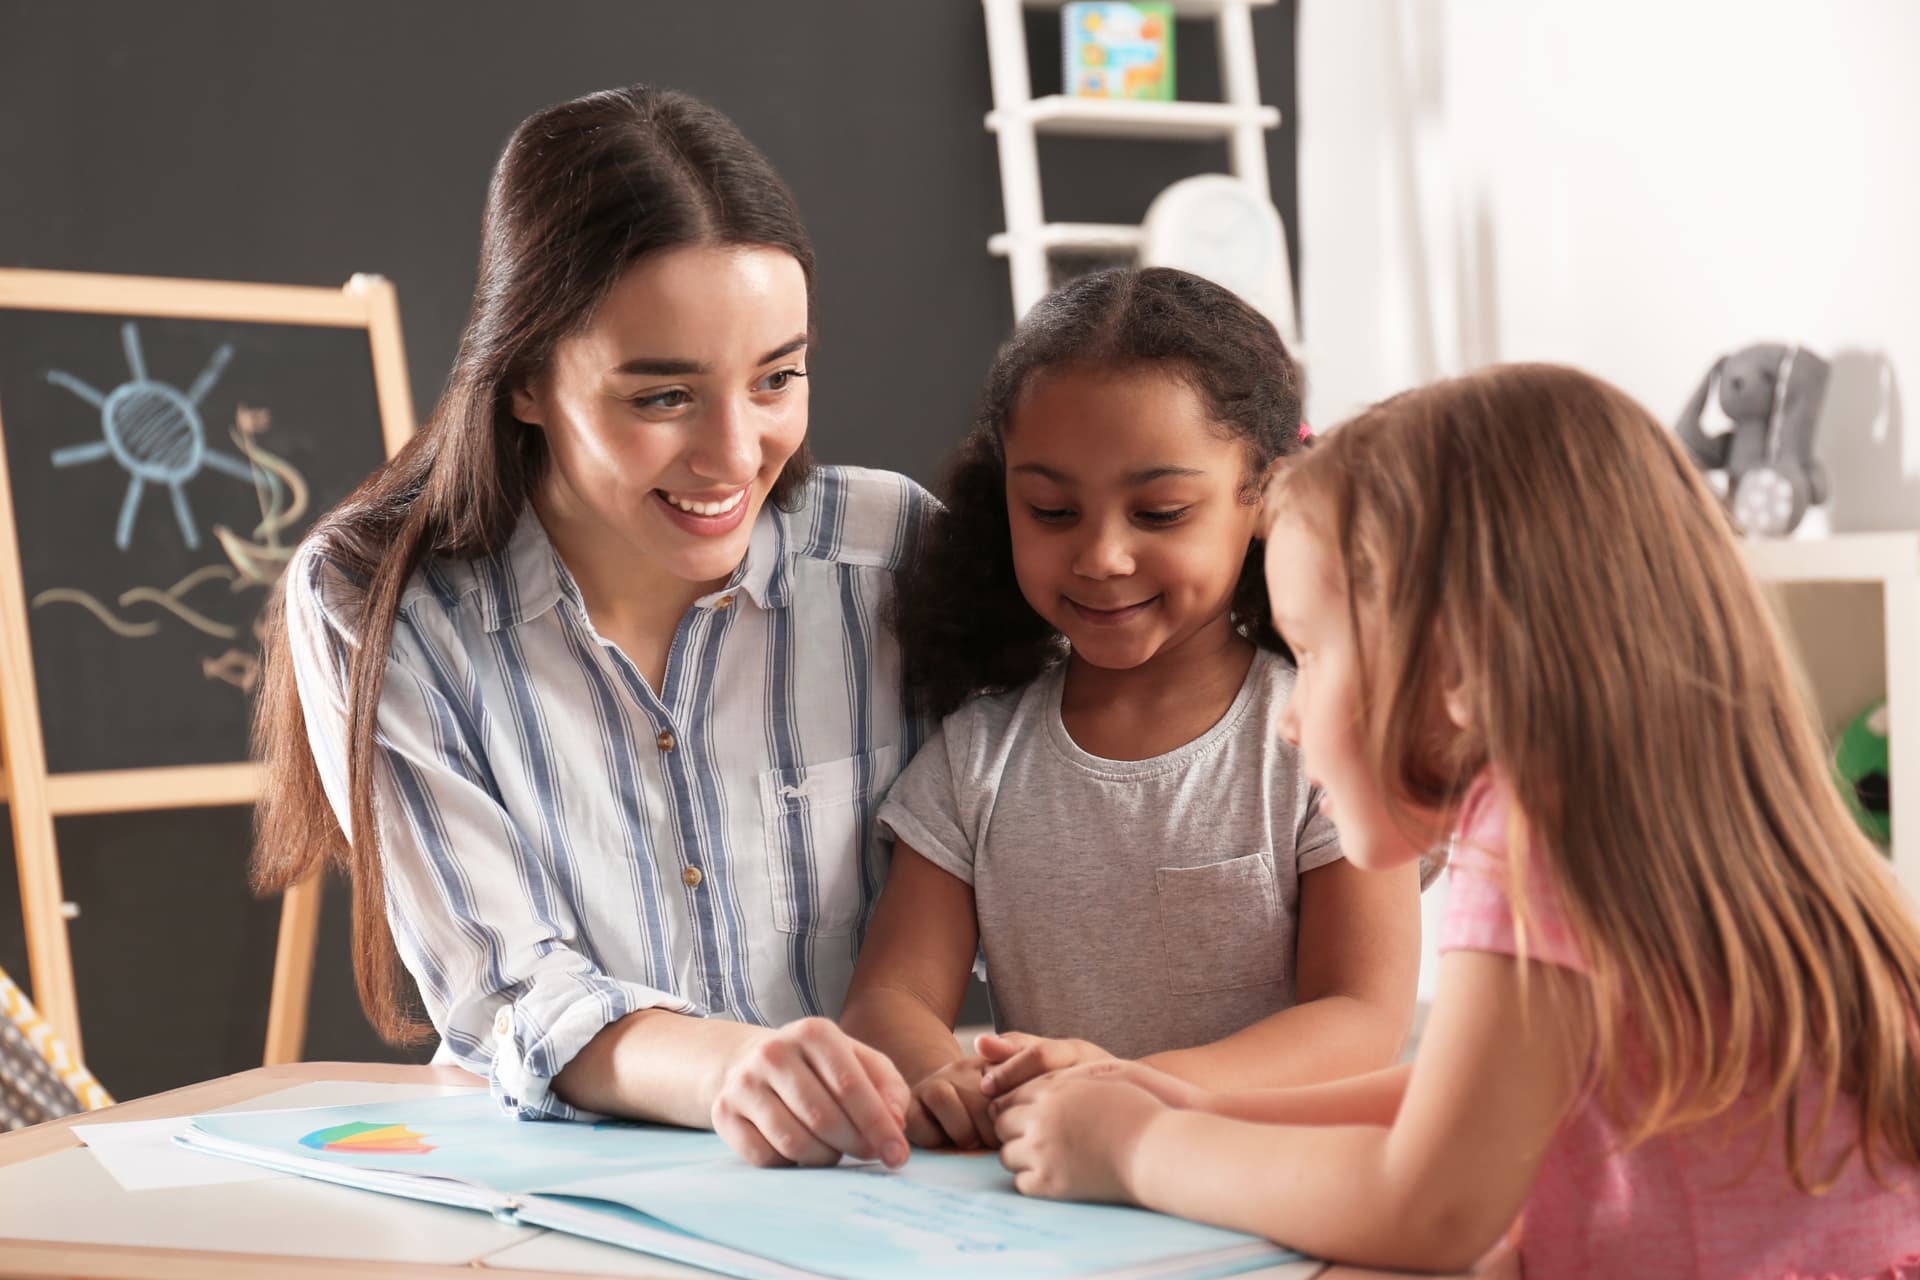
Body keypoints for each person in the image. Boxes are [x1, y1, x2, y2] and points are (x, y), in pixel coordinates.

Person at [991, 364, 1920, 1276]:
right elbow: (1479, 1105)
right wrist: (1197, 1105)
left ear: (1464, 670)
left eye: (1311, 655)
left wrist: (1143, 1151)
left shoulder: (1532, 835)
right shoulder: (1693, 827)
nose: (1288, 713)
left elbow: (1426, 1204)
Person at [251, 85, 932, 1172]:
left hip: (886, 1193)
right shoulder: (374, 601)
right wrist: (734, 1070)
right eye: (663, 397)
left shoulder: (891, 553)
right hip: (561, 1197)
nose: (736, 453)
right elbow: (509, 986)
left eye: (779, 379)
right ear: (523, 378)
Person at [839, 268, 1420, 1152]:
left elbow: (1361, 1019)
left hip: (1278, 1187)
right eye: (1052, 509)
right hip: (1065, 1194)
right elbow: (891, 996)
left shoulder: (1320, 738)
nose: (1103, 555)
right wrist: (943, 1077)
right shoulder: (978, 759)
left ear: (1261, 493)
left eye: (1160, 511)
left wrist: (1131, 1090)